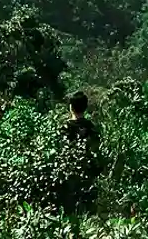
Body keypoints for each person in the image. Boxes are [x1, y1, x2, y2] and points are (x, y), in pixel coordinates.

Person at [59, 91, 102, 236]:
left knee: (70, 210)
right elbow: (97, 150)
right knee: (88, 209)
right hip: (88, 172)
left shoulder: (64, 128)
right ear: (85, 107)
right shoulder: (92, 127)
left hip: (68, 172)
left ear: (71, 107)